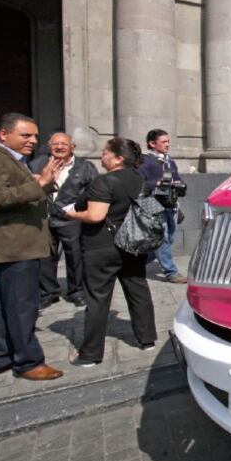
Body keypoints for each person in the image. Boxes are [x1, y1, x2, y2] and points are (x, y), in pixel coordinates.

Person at [66, 137, 157, 367]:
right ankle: (146, 340)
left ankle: (90, 355)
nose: (101, 156)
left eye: (106, 152)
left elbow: (95, 215)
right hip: (134, 243)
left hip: (102, 247)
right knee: (138, 290)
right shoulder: (140, 179)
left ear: (118, 158)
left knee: (97, 299)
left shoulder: (104, 182)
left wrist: (71, 214)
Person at [0, 113, 65, 380]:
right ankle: (29, 362)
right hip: (16, 245)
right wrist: (40, 184)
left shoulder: (13, 159)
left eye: (35, 136)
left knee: (3, 305)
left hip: (12, 246)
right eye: (26, 135)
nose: (33, 141)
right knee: (23, 307)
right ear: (4, 134)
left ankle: (1, 356)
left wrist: (43, 184)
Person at [29, 133, 99, 309]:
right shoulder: (37, 163)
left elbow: (94, 191)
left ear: (72, 147)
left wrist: (80, 209)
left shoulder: (85, 167)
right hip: (44, 217)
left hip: (72, 219)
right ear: (49, 145)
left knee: (75, 255)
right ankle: (48, 292)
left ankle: (76, 291)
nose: (59, 147)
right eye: (55, 144)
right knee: (45, 256)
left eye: (64, 144)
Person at [138, 129, 187, 284]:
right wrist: (157, 184)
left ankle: (138, 261)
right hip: (152, 203)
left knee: (169, 238)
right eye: (164, 142)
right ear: (152, 143)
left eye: (168, 141)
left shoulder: (169, 161)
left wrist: (180, 184)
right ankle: (171, 272)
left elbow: (177, 178)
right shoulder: (144, 161)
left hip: (170, 203)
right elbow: (139, 182)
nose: (167, 144)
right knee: (162, 238)